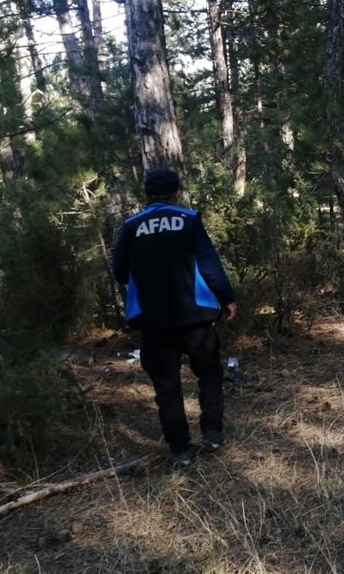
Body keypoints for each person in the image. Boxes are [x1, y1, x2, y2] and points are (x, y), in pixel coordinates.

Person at [112, 168, 238, 469]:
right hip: (196, 316)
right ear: (176, 193)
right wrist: (227, 298)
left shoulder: (130, 227)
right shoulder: (189, 219)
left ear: (146, 196)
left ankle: (180, 450)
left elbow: (119, 272)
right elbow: (209, 265)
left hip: (153, 321)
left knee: (167, 388)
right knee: (209, 374)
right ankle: (212, 435)